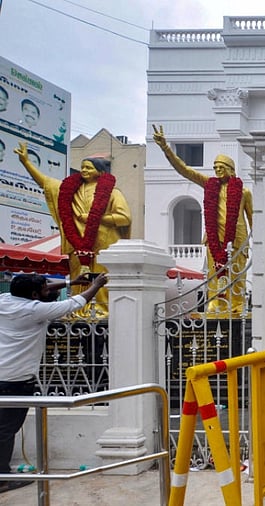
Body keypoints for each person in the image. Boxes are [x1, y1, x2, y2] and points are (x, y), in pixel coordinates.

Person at [0, 273, 108, 493]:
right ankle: (2, 477)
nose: (50, 291)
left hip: (4, 375)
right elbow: (78, 302)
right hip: (16, 380)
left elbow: (43, 289)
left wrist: (72, 282)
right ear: (33, 294)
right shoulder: (34, 310)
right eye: (46, 289)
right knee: (6, 430)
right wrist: (96, 285)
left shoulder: (5, 300)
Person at [15, 142, 131, 317]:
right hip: (76, 243)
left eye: (88, 167)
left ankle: (103, 311)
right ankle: (78, 311)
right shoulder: (71, 191)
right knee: (79, 279)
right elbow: (45, 183)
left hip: (104, 243)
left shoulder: (113, 193)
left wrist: (97, 218)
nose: (83, 170)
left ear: (100, 171)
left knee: (103, 278)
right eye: (82, 167)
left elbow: (125, 218)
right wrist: (26, 162)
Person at [152, 124, 252, 314]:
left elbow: (253, 218)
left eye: (221, 167)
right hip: (214, 237)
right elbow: (185, 170)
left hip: (237, 237)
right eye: (215, 167)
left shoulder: (244, 192)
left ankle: (238, 305)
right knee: (214, 272)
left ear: (231, 170)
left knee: (237, 272)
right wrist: (166, 148)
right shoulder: (209, 185)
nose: (217, 170)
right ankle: (215, 304)